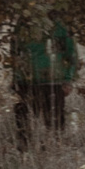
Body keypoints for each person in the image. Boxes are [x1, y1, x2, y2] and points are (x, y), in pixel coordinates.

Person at [12, 9, 76, 144]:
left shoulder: (59, 27)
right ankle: (24, 153)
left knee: (55, 124)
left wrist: (68, 80)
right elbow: (15, 53)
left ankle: (55, 153)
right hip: (27, 81)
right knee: (24, 119)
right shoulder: (23, 25)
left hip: (53, 82)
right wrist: (17, 79)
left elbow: (71, 55)